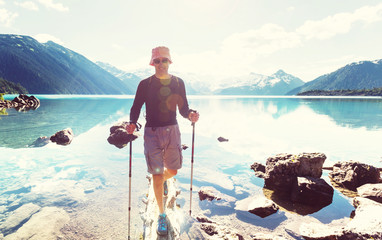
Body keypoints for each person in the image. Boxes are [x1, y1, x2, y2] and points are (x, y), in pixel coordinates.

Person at [126, 46, 199, 236]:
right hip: (151, 132)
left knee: (173, 170)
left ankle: (161, 182)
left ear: (169, 62)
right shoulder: (145, 84)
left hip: (172, 130)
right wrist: (133, 122)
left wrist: (190, 114)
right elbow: (135, 107)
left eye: (164, 60)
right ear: (153, 63)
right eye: (157, 61)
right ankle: (161, 215)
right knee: (157, 175)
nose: (161, 64)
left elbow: (183, 108)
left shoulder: (177, 82)